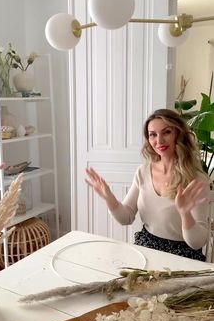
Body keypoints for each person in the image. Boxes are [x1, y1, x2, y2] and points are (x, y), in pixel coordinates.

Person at [85, 108, 210, 261]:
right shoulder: (143, 172)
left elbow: (197, 242)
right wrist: (109, 198)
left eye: (166, 132)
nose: (159, 141)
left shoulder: (197, 180)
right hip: (146, 248)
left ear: (178, 134)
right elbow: (126, 217)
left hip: (183, 255)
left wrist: (185, 214)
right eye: (153, 135)